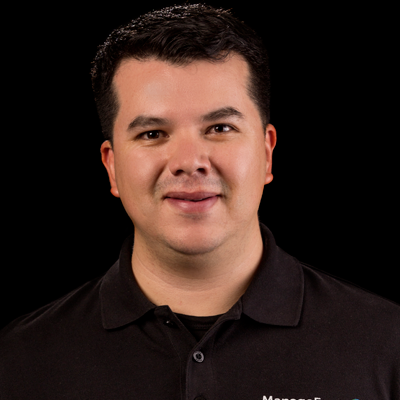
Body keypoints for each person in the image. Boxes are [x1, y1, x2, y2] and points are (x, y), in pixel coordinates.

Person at [1, 4, 399, 399]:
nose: (189, 162)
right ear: (112, 167)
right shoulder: (18, 359)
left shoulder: (387, 343)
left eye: (220, 128)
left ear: (267, 153)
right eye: (152, 134)